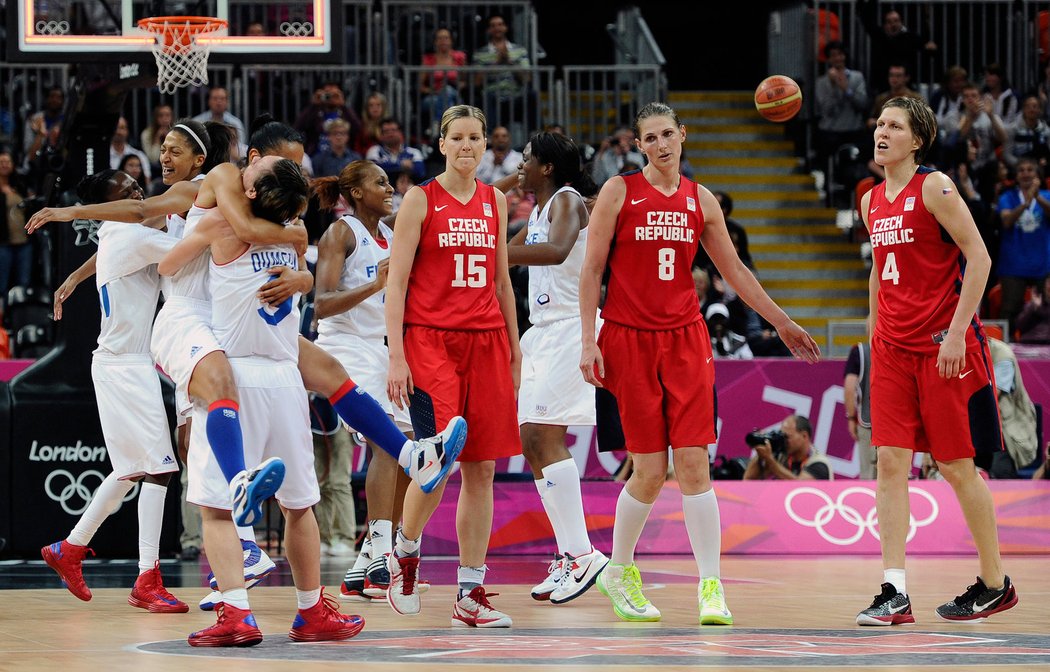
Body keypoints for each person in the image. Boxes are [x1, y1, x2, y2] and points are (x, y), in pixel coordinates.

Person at [579, 102, 820, 625]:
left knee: (694, 464)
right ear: (639, 145)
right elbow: (592, 269)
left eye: (668, 134)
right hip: (628, 340)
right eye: (651, 137)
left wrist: (780, 321)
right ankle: (618, 570)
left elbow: (734, 271)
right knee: (648, 471)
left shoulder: (701, 199)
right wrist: (587, 339)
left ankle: (712, 587)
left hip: (686, 342)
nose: (662, 144)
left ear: (683, 136)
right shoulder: (619, 193)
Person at [162, 155, 363, 646]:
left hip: (234, 370)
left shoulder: (223, 224)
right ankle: (311, 610)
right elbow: (302, 269)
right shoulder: (293, 234)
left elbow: (168, 265)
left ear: (251, 191)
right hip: (285, 378)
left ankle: (236, 613)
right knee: (300, 506)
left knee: (215, 508)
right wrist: (303, 274)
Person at [856, 96, 1018, 626]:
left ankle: (995, 583)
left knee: (955, 466)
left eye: (895, 125)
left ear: (917, 139)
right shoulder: (870, 199)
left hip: (943, 347)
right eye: (880, 123)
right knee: (890, 461)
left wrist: (954, 336)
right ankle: (893, 591)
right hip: (892, 350)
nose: (882, 132)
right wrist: (872, 332)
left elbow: (980, 257)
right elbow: (881, 270)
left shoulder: (936, 186)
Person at [385, 104, 521, 628]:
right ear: (441, 144)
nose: (467, 146)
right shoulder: (420, 199)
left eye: (475, 138)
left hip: (486, 340)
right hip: (429, 342)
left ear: (485, 144)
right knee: (438, 460)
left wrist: (514, 348)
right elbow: (395, 284)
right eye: (457, 138)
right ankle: (405, 549)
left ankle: (470, 591)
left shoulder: (496, 201)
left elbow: (503, 283)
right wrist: (396, 352)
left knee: (481, 468)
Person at [40, 169, 186, 613]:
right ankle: (148, 578)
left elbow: (128, 237)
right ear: (113, 205)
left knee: (130, 471)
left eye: (136, 186)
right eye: (127, 192)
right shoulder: (130, 234)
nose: (140, 194)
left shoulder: (116, 234)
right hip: (126, 365)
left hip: (121, 363)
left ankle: (69, 548)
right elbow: (190, 253)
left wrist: (76, 276)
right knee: (159, 469)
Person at [506, 132, 609, 604]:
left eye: (526, 160)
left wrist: (486, 254)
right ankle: (570, 553)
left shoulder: (569, 202)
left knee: (544, 437)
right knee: (532, 440)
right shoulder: (537, 212)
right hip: (543, 331)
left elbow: (558, 251)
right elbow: (502, 248)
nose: (519, 167)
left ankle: (582, 553)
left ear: (547, 167)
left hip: (572, 327)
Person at [312, 161, 413, 600]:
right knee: (387, 441)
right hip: (345, 347)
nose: (389, 188)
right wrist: (376, 285)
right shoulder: (341, 232)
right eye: (380, 183)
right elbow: (321, 304)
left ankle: (365, 561)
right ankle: (379, 551)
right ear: (354, 192)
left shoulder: (390, 236)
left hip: (382, 347)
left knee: (408, 447)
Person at [996, 157, 1050, 331]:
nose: (1026, 173)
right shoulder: (1008, 197)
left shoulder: (1047, 196)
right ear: (1016, 176)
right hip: (1013, 264)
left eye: (1030, 170)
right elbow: (1006, 221)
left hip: (1043, 264)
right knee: (1010, 309)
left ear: (1038, 175)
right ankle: (1007, 350)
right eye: (1021, 170)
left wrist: (1038, 199)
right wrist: (1026, 203)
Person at [815, 41, 869, 179]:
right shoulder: (822, 82)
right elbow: (827, 109)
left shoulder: (857, 77)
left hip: (853, 130)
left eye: (840, 54)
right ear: (828, 59)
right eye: (833, 55)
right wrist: (834, 87)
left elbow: (862, 104)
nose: (837, 58)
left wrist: (846, 89)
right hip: (830, 132)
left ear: (844, 56)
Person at [472, 13, 534, 133]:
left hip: (515, 96)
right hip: (492, 97)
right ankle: (489, 139)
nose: (497, 28)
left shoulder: (520, 50)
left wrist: (510, 62)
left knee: (531, 96)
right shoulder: (480, 53)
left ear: (506, 28)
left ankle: (534, 137)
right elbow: (477, 81)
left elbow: (527, 78)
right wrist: (497, 63)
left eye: (500, 25)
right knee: (485, 99)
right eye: (493, 25)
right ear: (489, 30)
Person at [987, 337, 1038, 477]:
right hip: (978, 428)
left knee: (1000, 473)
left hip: (1008, 428)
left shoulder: (1002, 354)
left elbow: (990, 397)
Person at [742, 415, 832, 480]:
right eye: (782, 435)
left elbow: (800, 489)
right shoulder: (782, 455)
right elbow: (749, 479)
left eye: (787, 437)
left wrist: (770, 460)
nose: (784, 441)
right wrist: (762, 450)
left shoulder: (819, 464)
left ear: (804, 436)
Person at [294, 82, 363, 156]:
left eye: (334, 95)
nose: (330, 98)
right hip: (316, 157)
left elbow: (358, 129)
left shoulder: (345, 113)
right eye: (327, 94)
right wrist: (313, 105)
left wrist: (343, 105)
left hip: (342, 157)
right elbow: (298, 127)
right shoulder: (315, 113)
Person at [420, 28, 467, 132]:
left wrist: (458, 85)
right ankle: (450, 129)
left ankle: (437, 125)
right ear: (435, 42)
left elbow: (465, 81)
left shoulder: (460, 57)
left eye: (446, 38)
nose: (443, 41)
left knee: (448, 92)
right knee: (447, 103)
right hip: (434, 96)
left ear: (451, 41)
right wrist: (434, 91)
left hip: (455, 94)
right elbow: (420, 87)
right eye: (439, 38)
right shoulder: (428, 59)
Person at [0, 150, 32, 304]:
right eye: (1, 162)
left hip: (23, 241)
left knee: (23, 283)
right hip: (3, 243)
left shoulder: (20, 186)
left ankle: (20, 318)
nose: (4, 165)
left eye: (7, 162)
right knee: (2, 284)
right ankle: (3, 321)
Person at [843, 341, 876, 479]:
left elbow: (850, 386)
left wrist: (851, 417)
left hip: (868, 421)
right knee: (897, 475)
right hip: (897, 423)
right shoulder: (900, 345)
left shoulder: (859, 351)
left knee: (868, 475)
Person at [1003, 95, 1050, 169]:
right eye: (1028, 107)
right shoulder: (1013, 129)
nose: (1031, 109)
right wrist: (1021, 165)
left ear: (1040, 110)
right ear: (1023, 110)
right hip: (1019, 166)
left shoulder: (1045, 130)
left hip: (1040, 167)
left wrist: (1046, 161)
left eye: (1035, 106)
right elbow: (1007, 154)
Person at [109, 117, 151, 182]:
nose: (118, 131)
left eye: (122, 128)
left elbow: (147, 181)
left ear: (127, 131)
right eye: (116, 128)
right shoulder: (103, 156)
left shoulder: (139, 155)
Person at [1017, 276, 1050, 344]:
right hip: (1030, 342)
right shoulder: (1032, 304)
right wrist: (1033, 307)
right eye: (1049, 283)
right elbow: (1019, 326)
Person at [140, 104, 173, 169]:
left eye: (167, 115)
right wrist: (157, 138)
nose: (164, 119)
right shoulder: (147, 134)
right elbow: (153, 159)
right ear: (155, 118)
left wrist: (169, 139)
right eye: (161, 116)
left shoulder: (177, 132)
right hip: (155, 170)